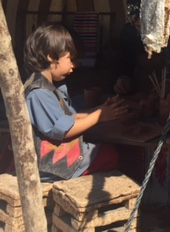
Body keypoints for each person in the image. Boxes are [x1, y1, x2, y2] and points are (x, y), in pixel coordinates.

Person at [23, 22, 129, 182]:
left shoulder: (48, 87)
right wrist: (100, 116)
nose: (73, 65)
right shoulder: (39, 93)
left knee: (104, 149)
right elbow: (65, 130)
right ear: (51, 57)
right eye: (70, 59)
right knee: (110, 154)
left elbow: (68, 118)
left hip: (58, 154)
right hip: (51, 163)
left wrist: (100, 109)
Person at [113, 0, 168, 95]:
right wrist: (122, 78)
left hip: (165, 91)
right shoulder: (128, 31)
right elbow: (122, 62)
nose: (138, 25)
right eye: (136, 24)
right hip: (137, 91)